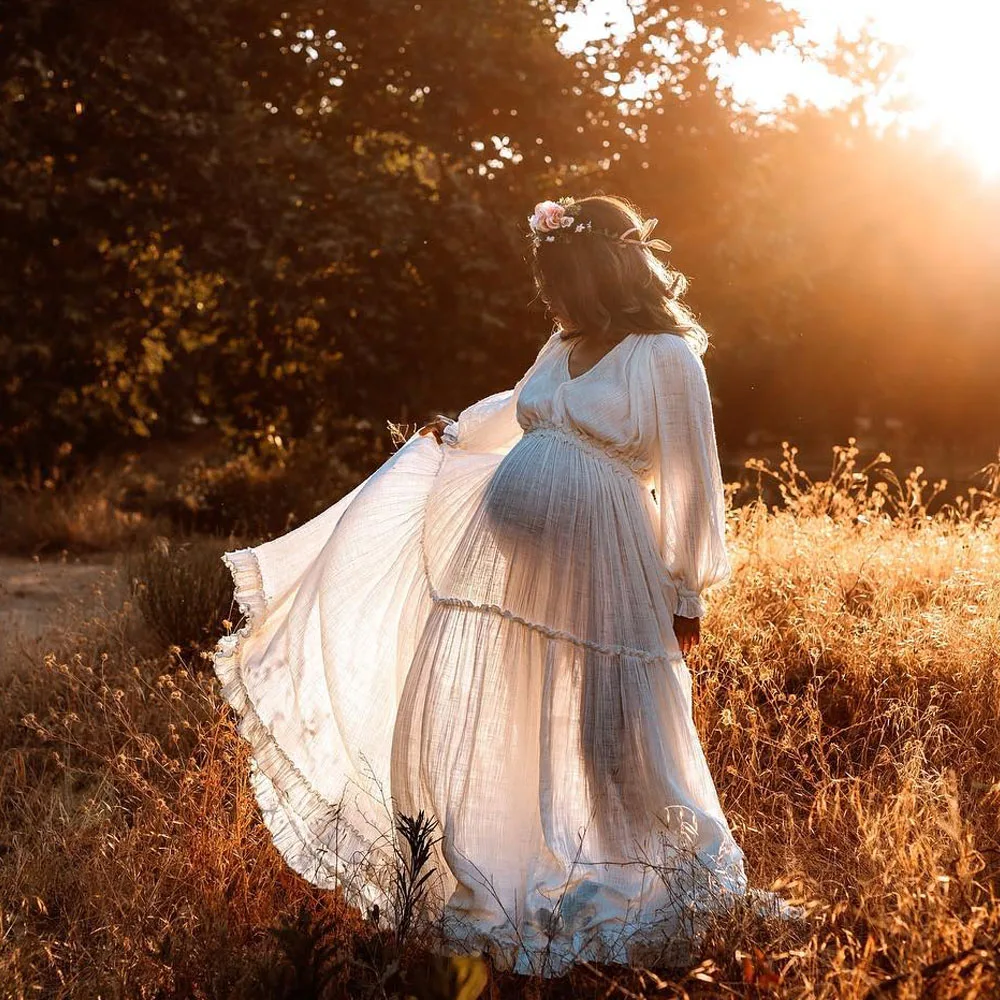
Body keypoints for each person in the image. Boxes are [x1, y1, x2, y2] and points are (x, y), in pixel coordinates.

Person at [214, 194, 773, 977]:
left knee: (615, 729)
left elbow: (692, 483)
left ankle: (655, 885)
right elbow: (519, 412)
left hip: (612, 569)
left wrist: (688, 593)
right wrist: (452, 433)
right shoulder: (562, 342)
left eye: (558, 277)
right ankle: (502, 866)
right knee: (508, 709)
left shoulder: (666, 357)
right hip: (517, 578)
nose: (546, 295)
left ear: (600, 271)